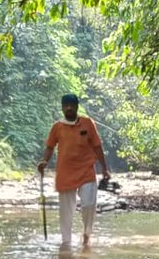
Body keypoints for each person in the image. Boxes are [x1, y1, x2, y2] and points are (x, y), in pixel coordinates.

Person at [37, 94, 111, 248]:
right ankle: (66, 242)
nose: (69, 108)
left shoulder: (88, 123)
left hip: (86, 171)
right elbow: (50, 147)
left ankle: (86, 234)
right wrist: (44, 161)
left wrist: (104, 168)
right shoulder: (57, 127)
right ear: (62, 107)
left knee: (89, 204)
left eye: (72, 105)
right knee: (65, 211)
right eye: (66, 105)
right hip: (65, 173)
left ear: (77, 107)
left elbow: (97, 146)